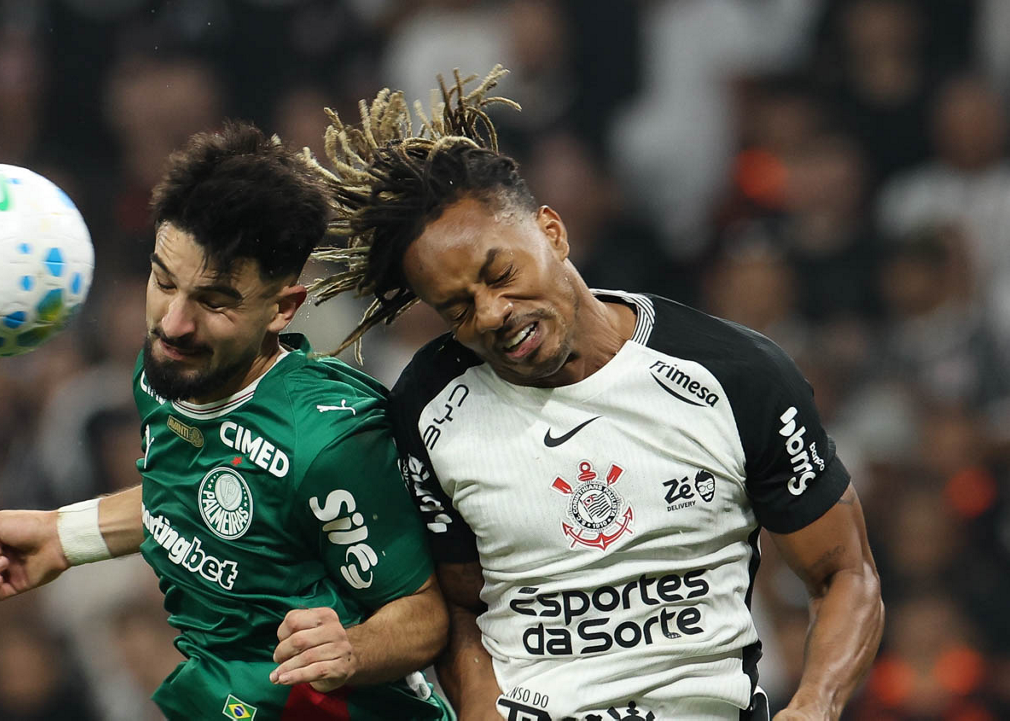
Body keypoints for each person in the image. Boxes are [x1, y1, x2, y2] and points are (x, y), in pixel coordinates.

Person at [310, 68, 884, 721]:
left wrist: (816, 700)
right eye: (459, 308)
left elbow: (846, 574)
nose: (493, 312)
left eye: (502, 273)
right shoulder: (430, 404)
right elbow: (464, 604)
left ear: (552, 231)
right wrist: (478, 704)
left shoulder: (737, 374)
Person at [0, 122, 453, 720]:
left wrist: (351, 648)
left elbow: (424, 614)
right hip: (226, 700)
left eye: (214, 302)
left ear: (282, 308)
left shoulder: (327, 442)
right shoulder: (165, 370)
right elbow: (193, 496)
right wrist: (65, 537)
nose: (173, 323)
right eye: (163, 281)